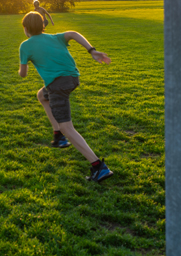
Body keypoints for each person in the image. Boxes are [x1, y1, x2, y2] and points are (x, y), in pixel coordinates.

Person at [17, 11, 113, 183]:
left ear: (25, 28)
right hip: (72, 79)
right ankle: (58, 135)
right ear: (43, 25)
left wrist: (21, 68)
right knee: (41, 95)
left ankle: (98, 167)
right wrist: (91, 50)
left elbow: (23, 75)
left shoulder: (25, 45)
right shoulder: (55, 37)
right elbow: (73, 34)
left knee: (67, 127)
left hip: (58, 86)